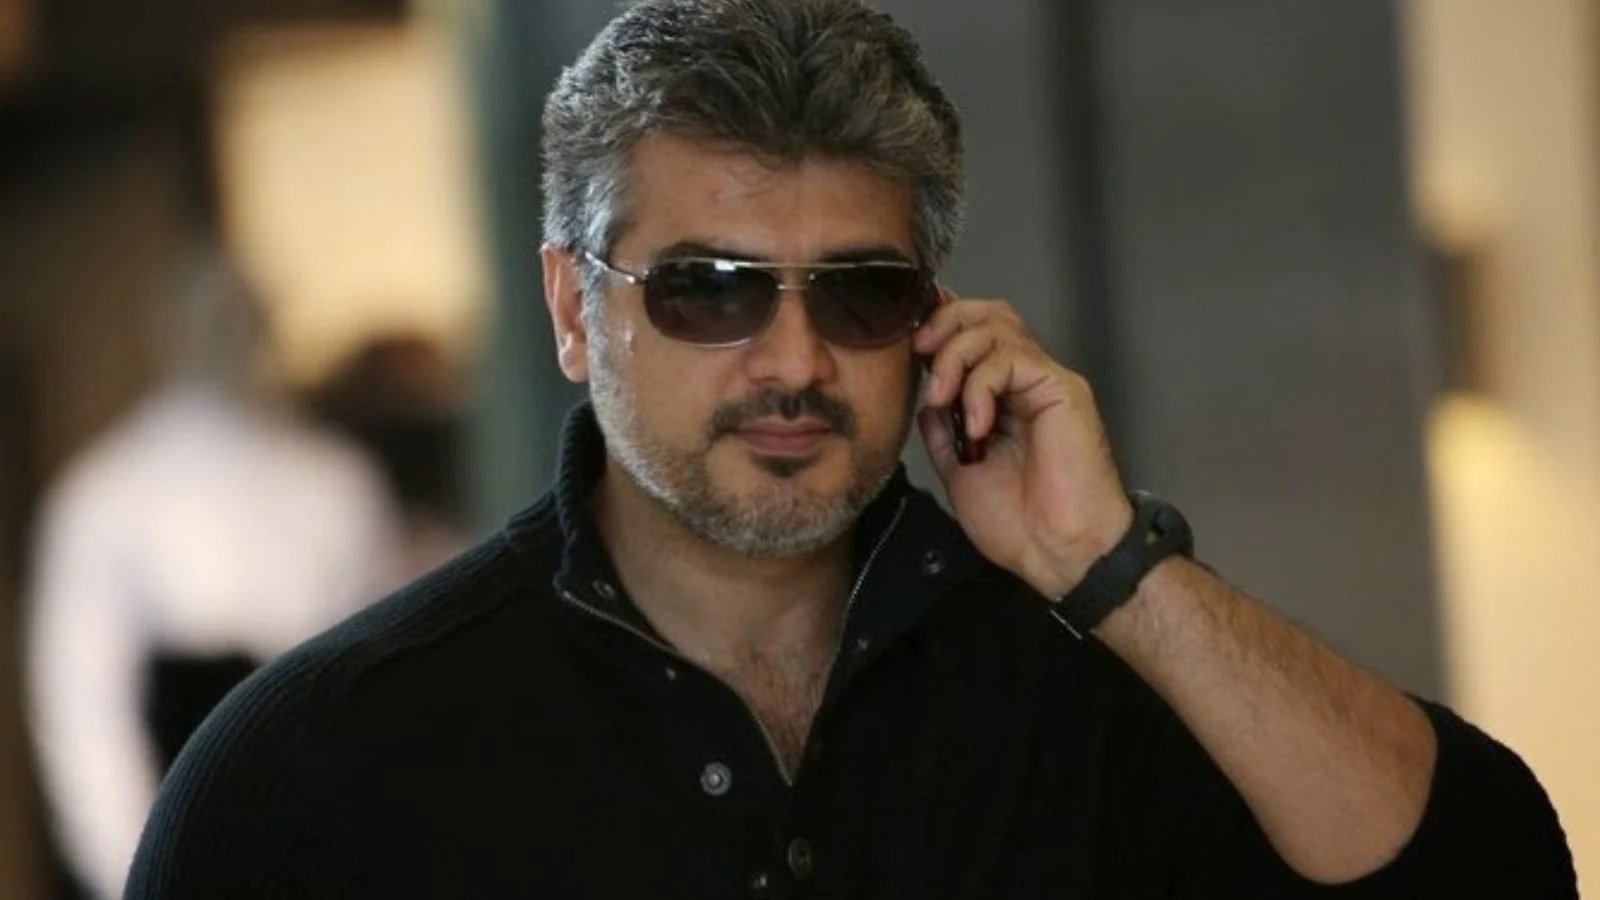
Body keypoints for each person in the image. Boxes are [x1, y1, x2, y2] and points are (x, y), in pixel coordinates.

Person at [126, 2, 1576, 897]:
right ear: (573, 310)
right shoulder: (324, 767)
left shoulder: (1085, 690)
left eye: (860, 292)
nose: (794, 361)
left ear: (931, 317)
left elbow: (1492, 872)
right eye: (710, 290)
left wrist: (1111, 566)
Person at [26, 242, 401, 900]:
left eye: (241, 317)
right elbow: (86, 716)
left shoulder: (338, 483)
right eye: (210, 319)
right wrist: (139, 874)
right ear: (168, 332)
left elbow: (381, 679)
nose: (228, 335)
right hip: (174, 830)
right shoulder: (106, 496)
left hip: (324, 829)